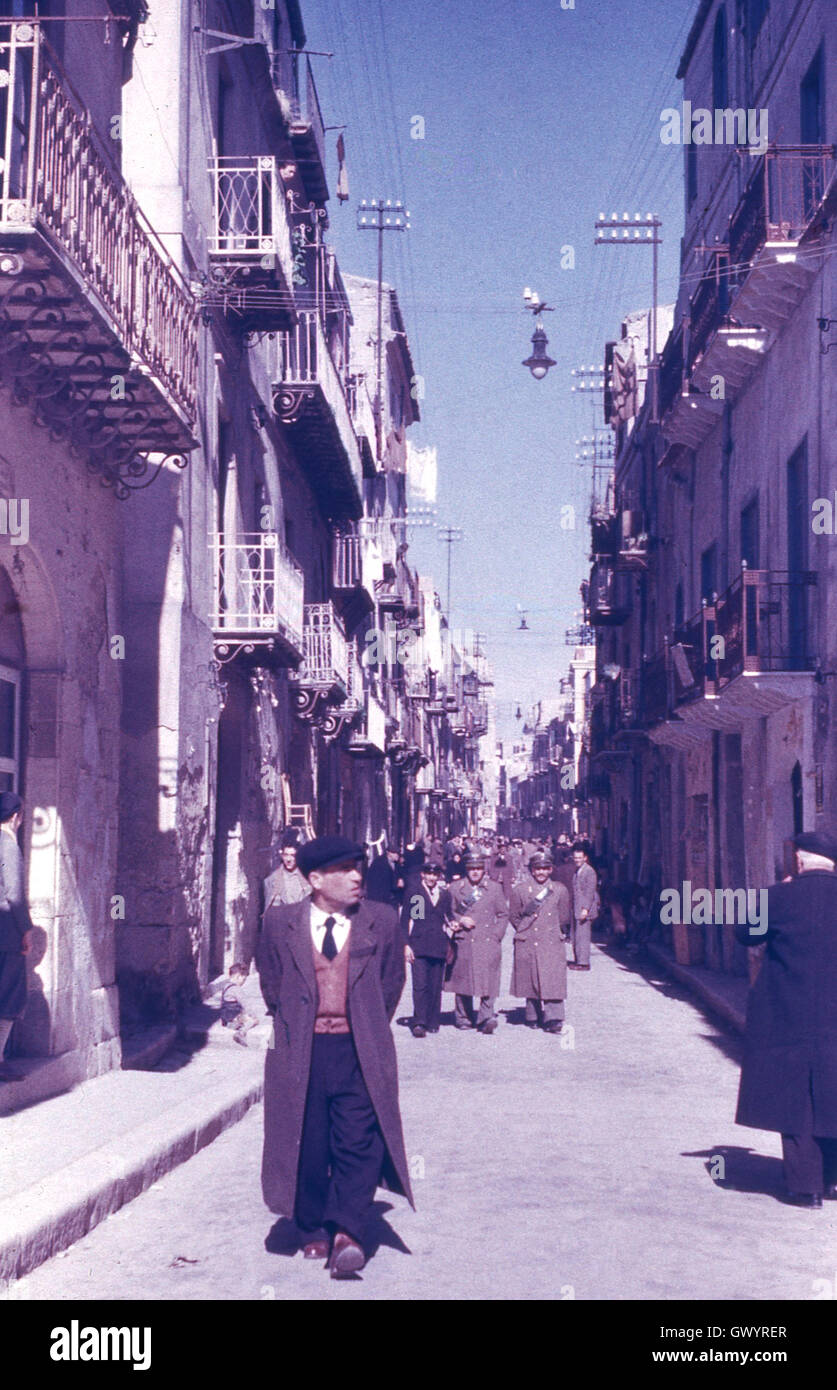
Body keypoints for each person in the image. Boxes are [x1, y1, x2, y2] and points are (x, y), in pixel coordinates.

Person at [257, 835, 413, 1276]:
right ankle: (311, 1228)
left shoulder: (381, 920)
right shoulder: (279, 923)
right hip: (301, 1050)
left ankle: (347, 1229)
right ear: (315, 879)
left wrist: (363, 1024)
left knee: (358, 1141)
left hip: (358, 1049)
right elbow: (272, 983)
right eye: (345, 869)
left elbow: (389, 985)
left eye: (358, 867)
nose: (357, 876)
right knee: (307, 1140)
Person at [736, 830, 837, 1209]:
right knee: (833, 1091)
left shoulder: (778, 897)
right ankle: (832, 1181)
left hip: (786, 1011)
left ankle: (805, 1187)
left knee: (795, 1099)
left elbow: (747, 935)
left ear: (799, 860)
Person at [445, 853, 508, 1034]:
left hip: (488, 940)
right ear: (467, 869)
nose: (475, 872)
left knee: (489, 978)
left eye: (478, 868)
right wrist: (460, 919)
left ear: (484, 869)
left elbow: (503, 914)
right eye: (472, 868)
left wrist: (497, 934)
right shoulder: (456, 888)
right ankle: (463, 1017)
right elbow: (448, 912)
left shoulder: (494, 888)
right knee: (463, 979)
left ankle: (485, 1017)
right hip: (464, 939)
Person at [509, 850, 571, 1033]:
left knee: (552, 979)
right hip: (528, 939)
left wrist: (553, 930)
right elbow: (514, 916)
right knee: (530, 977)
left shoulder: (559, 890)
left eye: (545, 868)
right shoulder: (520, 890)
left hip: (550, 939)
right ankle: (532, 1015)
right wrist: (525, 929)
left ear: (551, 869)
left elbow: (564, 917)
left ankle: (554, 1018)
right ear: (532, 870)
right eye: (537, 869)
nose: (541, 872)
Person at [0, 792, 32, 1082]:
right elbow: (14, 894)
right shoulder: (8, 845)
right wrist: (26, 929)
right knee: (10, 995)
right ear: (15, 816)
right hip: (6, 933)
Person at [401, 860, 452, 1037]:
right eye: (428, 874)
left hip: (438, 945)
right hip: (420, 945)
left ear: (439, 876)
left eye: (435, 874)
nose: (432, 877)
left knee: (435, 985)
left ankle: (433, 1020)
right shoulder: (416, 893)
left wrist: (453, 925)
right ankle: (419, 1021)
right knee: (420, 985)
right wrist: (406, 945)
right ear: (423, 874)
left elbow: (448, 917)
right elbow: (409, 920)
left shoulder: (444, 894)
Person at [570, 841, 599, 971]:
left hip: (584, 910)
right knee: (576, 936)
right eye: (575, 858)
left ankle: (583, 963)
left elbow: (590, 892)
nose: (577, 860)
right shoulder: (578, 871)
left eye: (579, 858)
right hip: (577, 908)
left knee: (583, 936)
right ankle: (578, 960)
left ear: (585, 858)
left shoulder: (589, 872)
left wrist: (585, 909)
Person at [263, 832, 309, 910]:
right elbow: (270, 913)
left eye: (292, 855)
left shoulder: (308, 878)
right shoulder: (273, 880)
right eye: (285, 855)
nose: (288, 859)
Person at [220, 963, 259, 1046]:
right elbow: (245, 1003)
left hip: (225, 1017)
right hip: (234, 1017)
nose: (244, 982)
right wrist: (253, 1015)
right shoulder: (236, 989)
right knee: (254, 1021)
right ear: (238, 976)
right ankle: (241, 1033)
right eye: (244, 979)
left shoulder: (226, 986)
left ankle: (233, 1025)